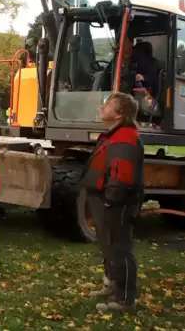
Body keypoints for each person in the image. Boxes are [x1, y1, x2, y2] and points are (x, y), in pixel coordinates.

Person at [81, 92, 143, 313]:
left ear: (119, 114)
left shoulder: (125, 137)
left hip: (116, 203)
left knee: (119, 248)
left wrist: (110, 200)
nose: (102, 107)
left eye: (108, 105)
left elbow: (121, 174)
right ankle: (111, 284)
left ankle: (125, 300)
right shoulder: (114, 135)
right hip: (104, 199)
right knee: (108, 246)